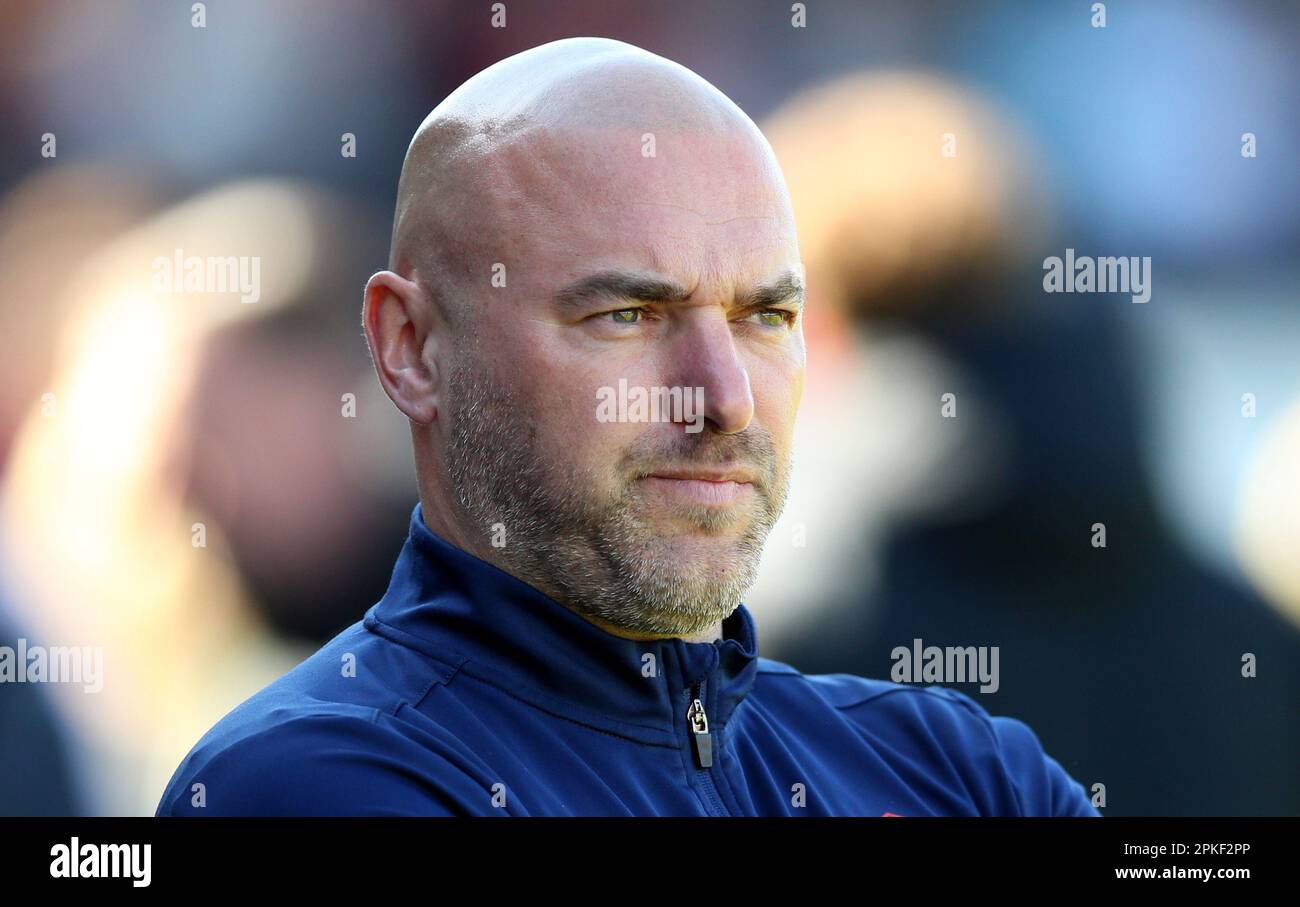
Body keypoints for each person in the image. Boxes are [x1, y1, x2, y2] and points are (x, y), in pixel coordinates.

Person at [156, 37, 1098, 817]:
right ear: (411, 347)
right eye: (628, 316)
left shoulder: (955, 769)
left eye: (764, 318)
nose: (722, 396)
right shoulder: (310, 781)